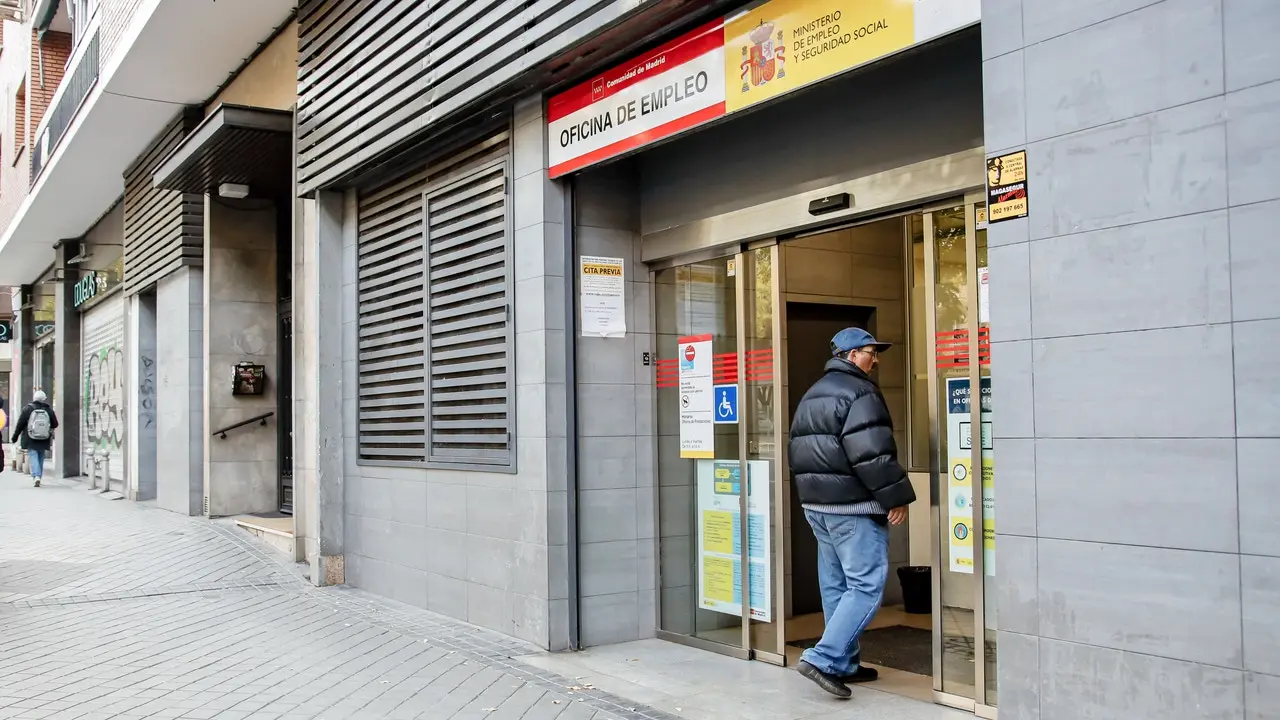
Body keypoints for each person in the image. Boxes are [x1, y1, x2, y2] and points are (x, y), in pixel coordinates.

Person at [788, 327, 916, 699]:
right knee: (865, 586)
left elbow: (797, 450)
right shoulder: (861, 392)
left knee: (836, 586)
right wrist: (895, 497)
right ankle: (824, 658)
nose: (875, 360)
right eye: (870, 353)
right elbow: (873, 454)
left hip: (818, 507)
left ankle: (843, 663)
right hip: (853, 508)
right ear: (851, 354)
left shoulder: (813, 393)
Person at [11, 390, 58, 488]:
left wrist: (15, 437)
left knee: (33, 455)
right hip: (44, 437)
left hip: (30, 437)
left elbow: (20, 424)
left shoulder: (27, 409)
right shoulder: (48, 410)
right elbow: (55, 424)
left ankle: (36, 476)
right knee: (41, 456)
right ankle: (38, 476)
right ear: (44, 399)